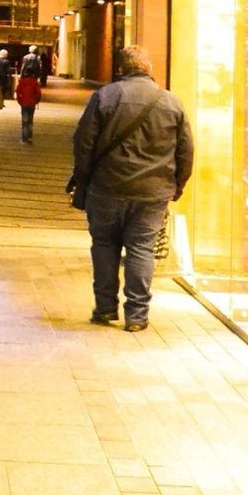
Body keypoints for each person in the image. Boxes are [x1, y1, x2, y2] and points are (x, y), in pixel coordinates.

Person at [66, 44, 193, 332]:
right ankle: (137, 316)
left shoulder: (105, 97)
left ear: (121, 69)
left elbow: (83, 143)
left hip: (106, 188)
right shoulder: (171, 102)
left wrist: (83, 180)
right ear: (149, 69)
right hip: (152, 192)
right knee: (141, 249)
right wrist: (177, 186)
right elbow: (186, 151)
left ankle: (105, 307)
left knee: (104, 246)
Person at [15, 59, 42, 142]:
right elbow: (38, 93)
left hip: (24, 103)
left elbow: (18, 92)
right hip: (32, 103)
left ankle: (24, 138)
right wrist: (36, 101)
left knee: (24, 121)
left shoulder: (22, 82)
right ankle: (30, 137)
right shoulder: (35, 82)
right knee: (30, 120)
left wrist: (19, 101)